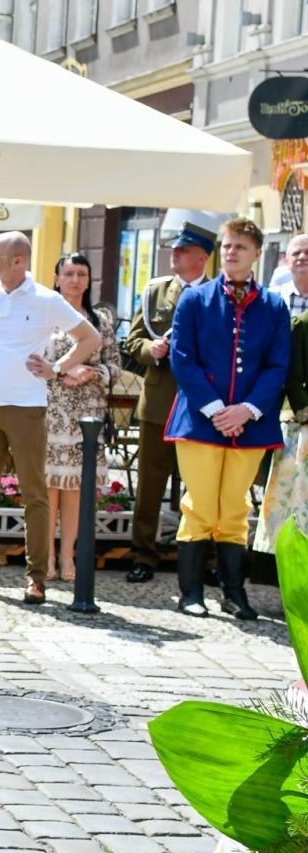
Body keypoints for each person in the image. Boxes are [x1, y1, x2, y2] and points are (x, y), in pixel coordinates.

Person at [0, 232, 101, 604]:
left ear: (18, 261)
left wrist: (57, 368)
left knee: (34, 493)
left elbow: (89, 338)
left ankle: (36, 578)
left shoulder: (46, 299)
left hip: (27, 408)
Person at [165, 218, 291, 620]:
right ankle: (191, 593)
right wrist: (217, 409)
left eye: (240, 246)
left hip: (251, 424)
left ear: (257, 254)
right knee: (199, 505)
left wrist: (247, 410)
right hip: (201, 422)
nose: (232, 252)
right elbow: (182, 358)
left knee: (235, 509)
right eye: (228, 245)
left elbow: (277, 365)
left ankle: (234, 594)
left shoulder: (273, 305)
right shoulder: (195, 299)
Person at [123, 219, 219, 583]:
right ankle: (143, 555)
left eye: (183, 250)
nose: (174, 255)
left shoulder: (219, 295)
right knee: (150, 483)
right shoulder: (155, 292)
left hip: (202, 405)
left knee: (202, 485)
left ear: (202, 257)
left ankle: (202, 557)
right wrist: (153, 349)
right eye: (174, 248)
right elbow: (132, 343)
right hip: (161, 400)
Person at [39, 254, 121, 582]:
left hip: (88, 413)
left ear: (88, 280)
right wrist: (62, 370)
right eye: (69, 273)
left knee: (76, 489)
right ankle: (44, 557)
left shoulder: (101, 320)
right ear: (57, 278)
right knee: (47, 489)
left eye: (81, 274)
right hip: (51, 411)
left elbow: (116, 364)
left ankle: (68, 555)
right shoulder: (44, 315)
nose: (75, 279)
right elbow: (31, 359)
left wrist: (93, 372)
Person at [256, 308, 308, 554]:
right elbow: (292, 376)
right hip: (301, 426)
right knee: (290, 501)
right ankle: (281, 560)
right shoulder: (301, 323)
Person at [270, 233, 308, 317]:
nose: (302, 257)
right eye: (296, 253)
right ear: (287, 260)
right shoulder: (273, 297)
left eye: (307, 252)